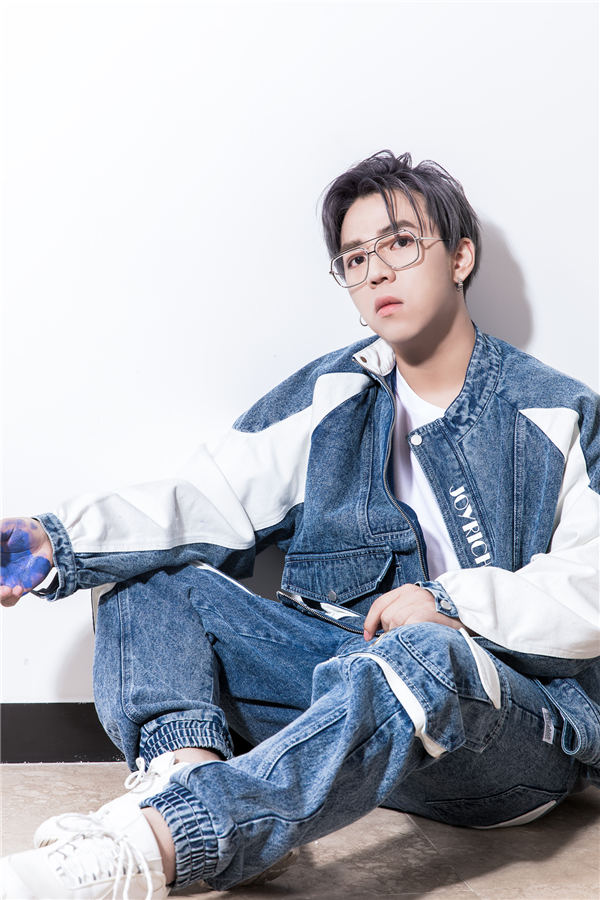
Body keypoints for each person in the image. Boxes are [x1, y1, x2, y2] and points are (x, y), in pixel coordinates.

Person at [1, 150, 599, 899]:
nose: (376, 272)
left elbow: (591, 586)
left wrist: (452, 605)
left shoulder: (557, 412)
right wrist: (54, 540)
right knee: (145, 577)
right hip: (346, 716)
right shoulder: (335, 394)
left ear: (460, 257)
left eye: (400, 243)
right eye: (355, 258)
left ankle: (159, 848)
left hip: (505, 743)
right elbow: (204, 498)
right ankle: (191, 787)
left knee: (428, 653)